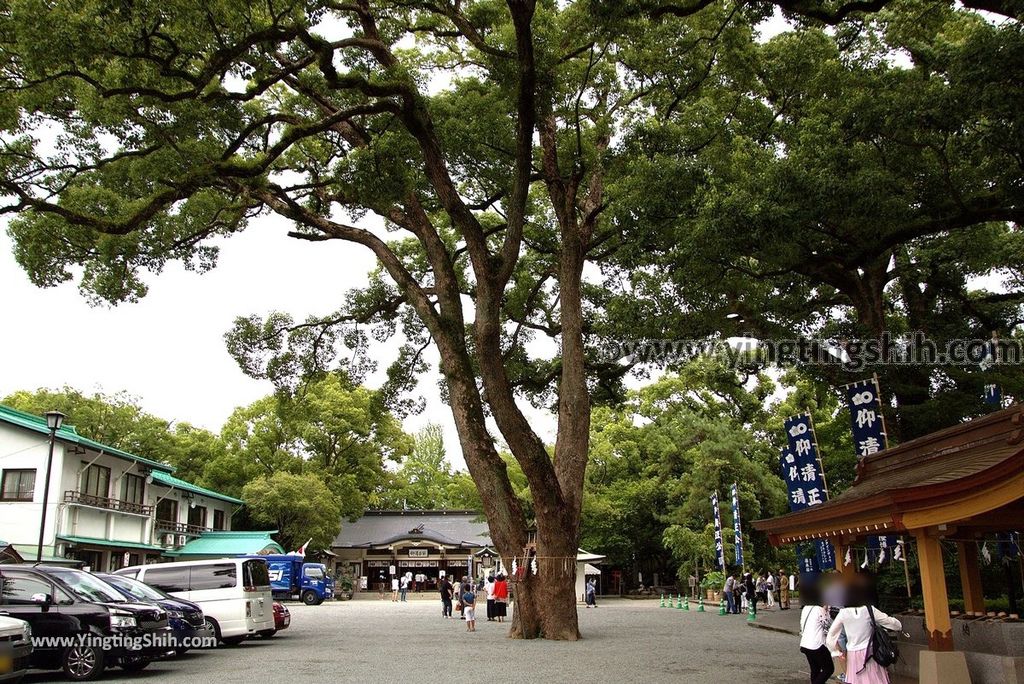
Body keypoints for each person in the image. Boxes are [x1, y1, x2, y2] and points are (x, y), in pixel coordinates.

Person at [826, 582, 902, 684]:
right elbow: (888, 621)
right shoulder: (869, 610)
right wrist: (899, 625)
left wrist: (836, 652)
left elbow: (831, 635)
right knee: (875, 678)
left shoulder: (843, 613)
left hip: (853, 654)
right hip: (870, 652)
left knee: (857, 680)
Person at [799, 581, 834, 684]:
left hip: (805, 643)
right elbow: (828, 624)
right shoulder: (819, 610)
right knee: (828, 669)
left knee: (815, 669)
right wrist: (826, 610)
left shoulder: (806, 608)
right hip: (817, 644)